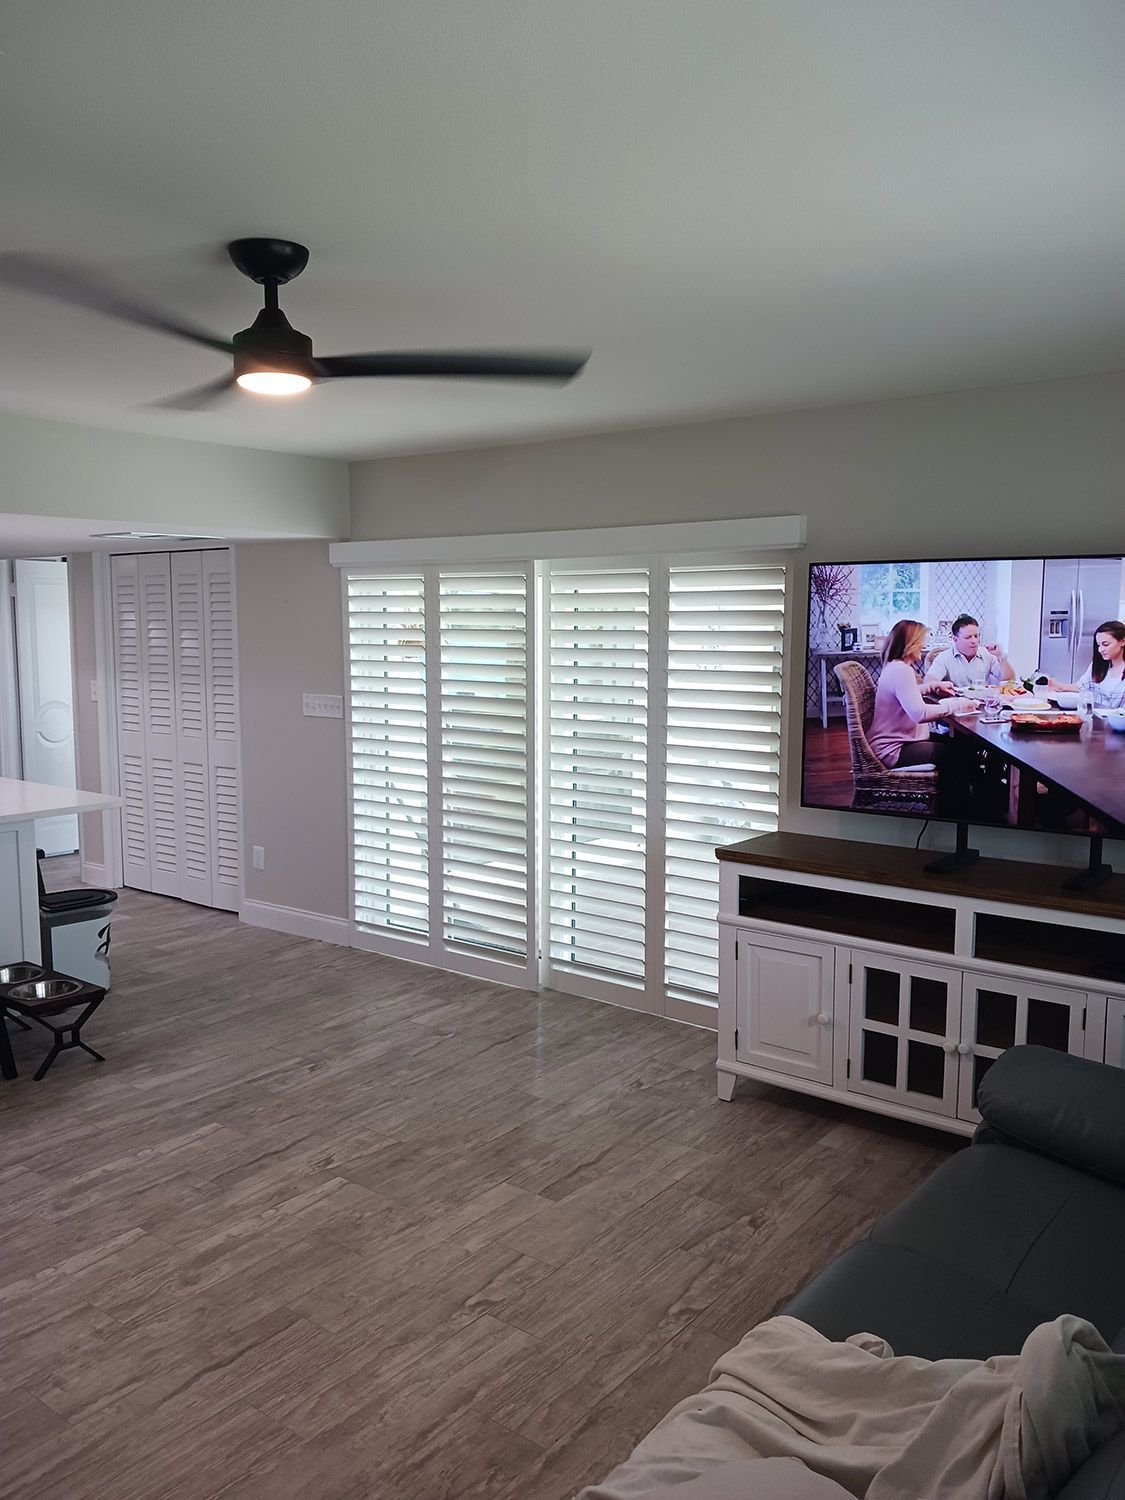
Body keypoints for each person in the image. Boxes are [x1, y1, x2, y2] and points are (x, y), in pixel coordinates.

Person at [867, 620, 975, 771]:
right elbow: (920, 714)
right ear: (910, 644)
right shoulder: (902, 670)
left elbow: (904, 693)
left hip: (895, 743)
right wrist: (958, 705)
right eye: (920, 641)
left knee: (964, 746)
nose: (923, 646)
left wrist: (932, 686)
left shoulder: (894, 666)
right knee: (960, 755)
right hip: (893, 750)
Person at [924, 615, 1015, 694]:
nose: (974, 641)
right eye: (968, 637)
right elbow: (929, 681)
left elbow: (1009, 680)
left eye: (976, 636)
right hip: (956, 702)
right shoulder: (944, 657)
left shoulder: (987, 654)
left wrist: (1001, 657)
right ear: (955, 639)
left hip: (982, 701)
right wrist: (940, 688)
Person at [1047, 620, 1125, 709]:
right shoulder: (1098, 665)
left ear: (1123, 641)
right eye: (1099, 645)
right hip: (1092, 715)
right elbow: (1082, 687)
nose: (1100, 650)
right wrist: (1058, 686)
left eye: (1105, 644)